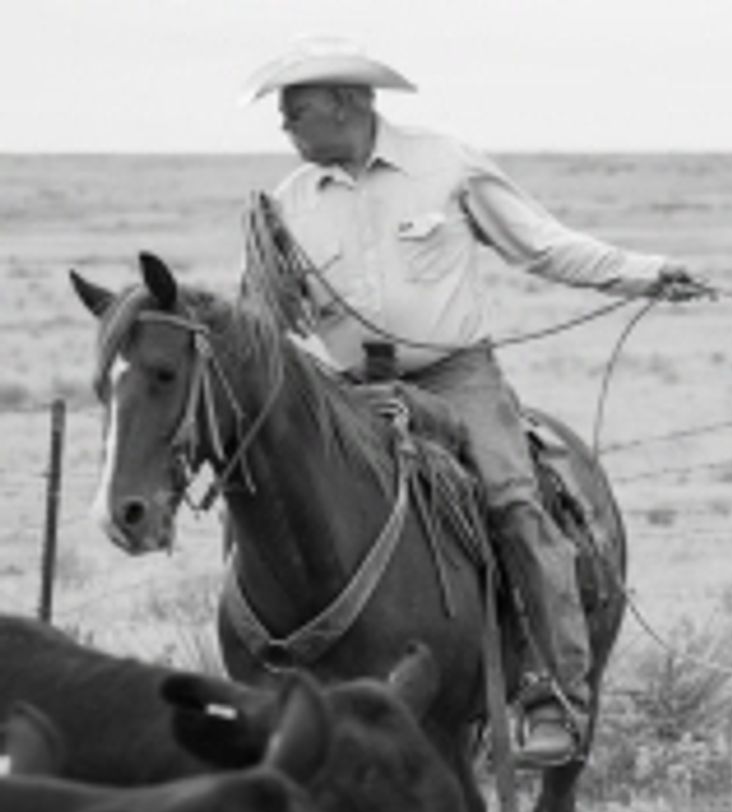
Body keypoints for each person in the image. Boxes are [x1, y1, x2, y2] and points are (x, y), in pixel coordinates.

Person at [238, 37, 707, 767]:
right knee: (272, 505)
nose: (284, 126)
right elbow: (261, 323)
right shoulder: (287, 204)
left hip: (455, 378)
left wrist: (647, 274)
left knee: (514, 503)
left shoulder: (444, 164)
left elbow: (542, 245)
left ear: (346, 104)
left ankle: (552, 695)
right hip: (349, 391)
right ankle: (262, 676)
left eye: (296, 111)